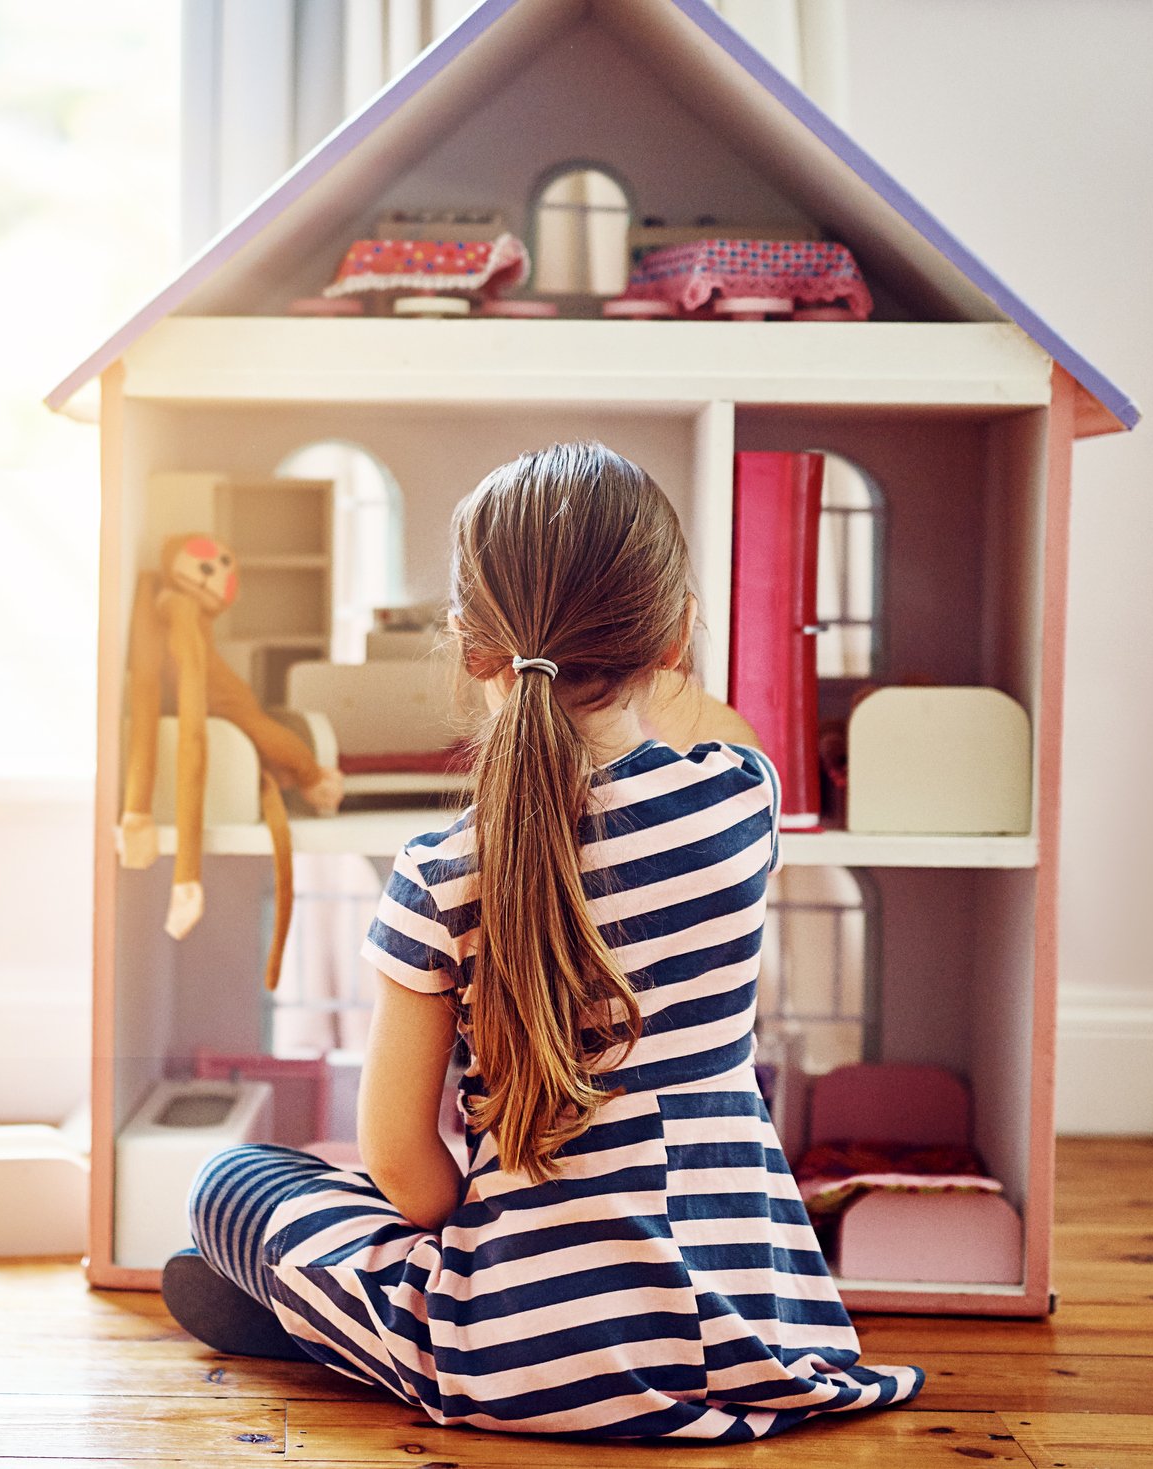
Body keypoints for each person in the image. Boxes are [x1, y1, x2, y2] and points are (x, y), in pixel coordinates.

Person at [163, 441, 922, 1442]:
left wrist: (487, 1235)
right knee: (382, 1208)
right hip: (744, 1325)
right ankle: (336, 1319)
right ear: (678, 633)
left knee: (236, 1181)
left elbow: (400, 1160)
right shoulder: (742, 799)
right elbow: (700, 725)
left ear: (470, 648)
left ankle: (332, 1321)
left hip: (511, 1350)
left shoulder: (439, 870)